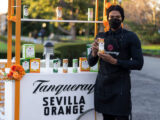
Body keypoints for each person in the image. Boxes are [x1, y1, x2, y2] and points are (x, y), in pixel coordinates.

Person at [87, 5, 144, 120]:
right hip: (103, 86)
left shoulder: (131, 37)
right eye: (111, 17)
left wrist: (115, 61)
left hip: (121, 88)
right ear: (107, 19)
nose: (114, 19)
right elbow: (91, 63)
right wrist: (93, 53)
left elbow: (139, 63)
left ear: (122, 18)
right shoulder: (101, 37)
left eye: (117, 17)